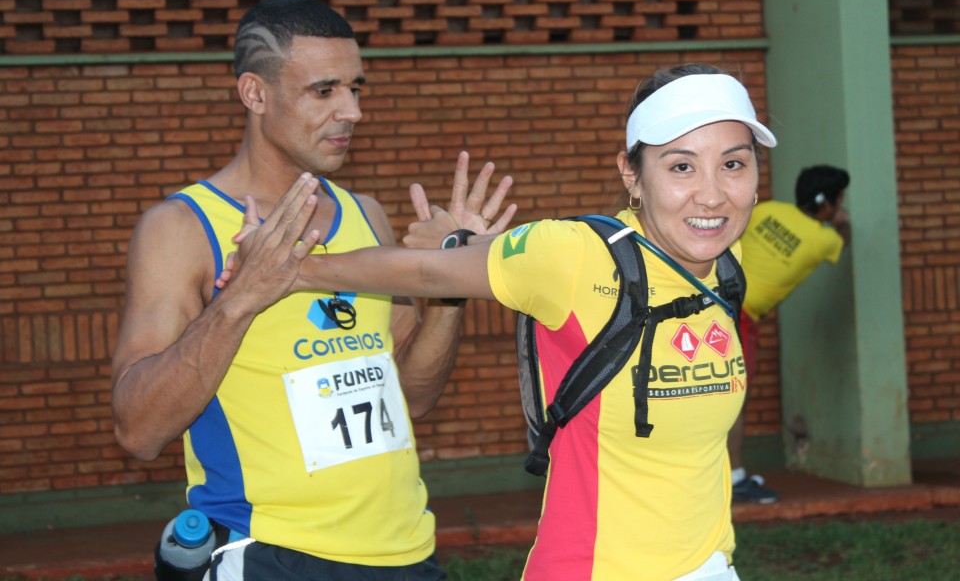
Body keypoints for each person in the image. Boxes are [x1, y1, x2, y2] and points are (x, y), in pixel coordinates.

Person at [222, 62, 778, 581]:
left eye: (733, 163)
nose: (712, 193)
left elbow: (459, 251)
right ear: (631, 174)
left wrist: (457, 241)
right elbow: (424, 272)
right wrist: (293, 270)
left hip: (710, 564)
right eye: (681, 166)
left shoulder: (725, 269)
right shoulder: (576, 255)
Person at [110, 0, 515, 580]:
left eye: (356, 88)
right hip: (265, 551)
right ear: (256, 94)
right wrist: (244, 296)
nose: (351, 111)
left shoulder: (367, 215)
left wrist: (452, 286)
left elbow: (413, 396)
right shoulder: (181, 229)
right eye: (324, 91)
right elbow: (138, 430)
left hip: (403, 552)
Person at [727, 165, 851, 504]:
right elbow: (843, 239)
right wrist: (839, 220)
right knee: (735, 398)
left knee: (722, 393)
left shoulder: (766, 210)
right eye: (840, 198)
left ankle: (723, 475)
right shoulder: (823, 239)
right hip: (741, 317)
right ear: (827, 203)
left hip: (719, 303)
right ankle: (734, 479)